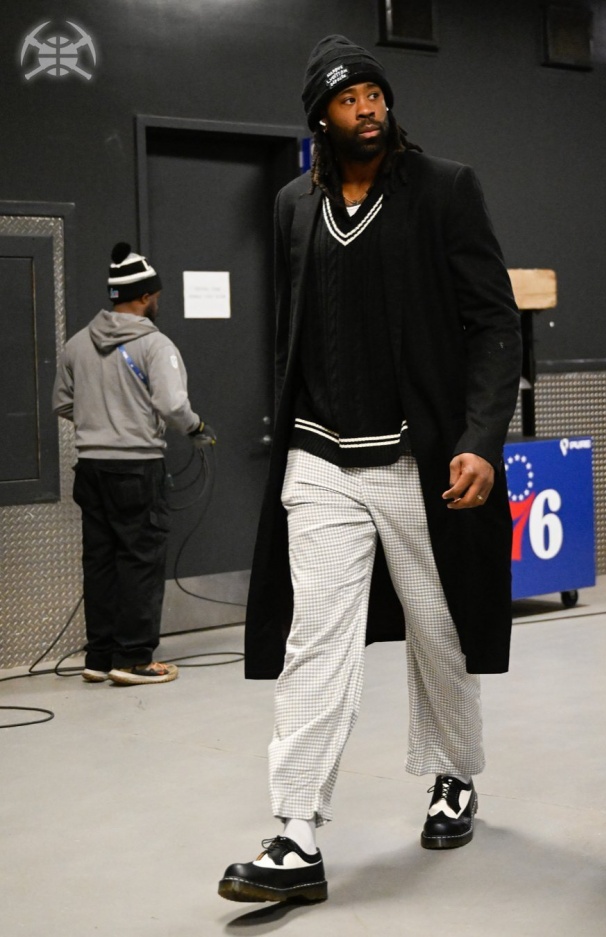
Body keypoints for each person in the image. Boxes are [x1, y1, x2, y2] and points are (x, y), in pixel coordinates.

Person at [219, 35, 521, 904]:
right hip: (320, 456)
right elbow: (293, 326)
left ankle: (454, 774)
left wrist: (479, 437)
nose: (368, 108)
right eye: (349, 99)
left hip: (416, 459)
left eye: (376, 94)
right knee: (315, 638)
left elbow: (493, 324)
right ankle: (295, 830)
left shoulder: (445, 190)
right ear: (321, 116)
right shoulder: (293, 205)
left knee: (439, 627)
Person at [52, 242, 216, 687]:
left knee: (100, 561)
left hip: (91, 468)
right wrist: (197, 428)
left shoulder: (76, 344)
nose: (158, 302)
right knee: (141, 560)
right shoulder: (155, 344)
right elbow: (172, 405)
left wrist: (100, 420)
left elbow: (63, 404)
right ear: (144, 296)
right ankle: (134, 659)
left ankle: (99, 657)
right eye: (155, 295)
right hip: (136, 468)